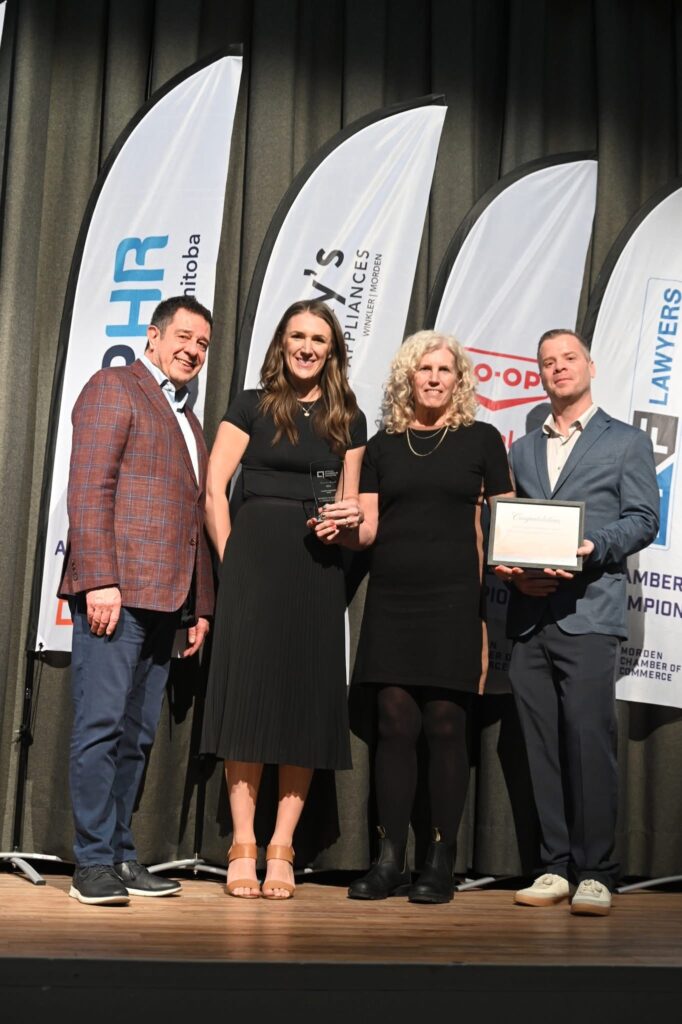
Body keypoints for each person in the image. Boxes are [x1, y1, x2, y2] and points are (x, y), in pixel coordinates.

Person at [313, 330, 513, 903]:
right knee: (395, 724)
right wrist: (338, 529)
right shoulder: (383, 447)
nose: (433, 378)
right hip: (393, 601)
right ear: (408, 378)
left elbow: (506, 522)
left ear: (459, 380)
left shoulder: (483, 440)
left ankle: (439, 862)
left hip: (456, 602)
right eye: (424, 369)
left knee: (447, 724)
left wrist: (518, 571)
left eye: (444, 370)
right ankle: (388, 860)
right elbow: (368, 530)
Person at [201, 298, 366, 900]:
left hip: (317, 571)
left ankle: (282, 847)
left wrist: (347, 521)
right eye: (298, 336)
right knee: (246, 700)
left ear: (332, 351)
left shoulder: (349, 417)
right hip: (252, 567)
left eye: (319, 339)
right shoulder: (250, 404)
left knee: (303, 704)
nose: (307, 347)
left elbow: (350, 505)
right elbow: (214, 490)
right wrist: (232, 561)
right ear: (282, 343)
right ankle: (243, 844)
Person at [495, 328, 659, 916]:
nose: (558, 368)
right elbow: (511, 524)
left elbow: (644, 519)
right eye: (548, 362)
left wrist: (594, 546)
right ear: (539, 375)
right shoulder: (522, 450)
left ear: (590, 366)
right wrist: (511, 571)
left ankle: (596, 872)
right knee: (538, 746)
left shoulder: (627, 442)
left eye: (569, 358)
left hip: (590, 613)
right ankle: (554, 866)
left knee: (589, 742)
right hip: (530, 618)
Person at [59, 295, 215, 905]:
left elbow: (193, 517)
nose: (193, 351)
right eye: (184, 337)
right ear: (153, 336)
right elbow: (89, 487)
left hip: (167, 601)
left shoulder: (189, 419)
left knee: (136, 735)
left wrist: (200, 606)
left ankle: (122, 854)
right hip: (116, 594)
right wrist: (99, 578)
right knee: (100, 726)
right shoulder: (114, 387)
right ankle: (92, 862)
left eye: (202, 344)